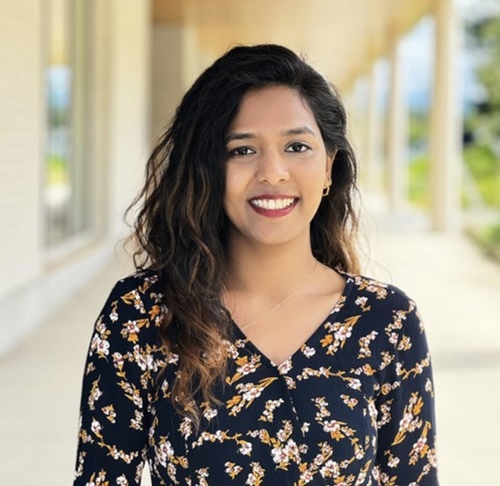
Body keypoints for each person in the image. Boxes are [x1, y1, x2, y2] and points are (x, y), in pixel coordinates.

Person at [73, 44, 439, 485]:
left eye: (297, 146)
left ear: (328, 167)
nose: (272, 171)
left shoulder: (386, 322)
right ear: (207, 167)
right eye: (242, 150)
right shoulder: (141, 315)